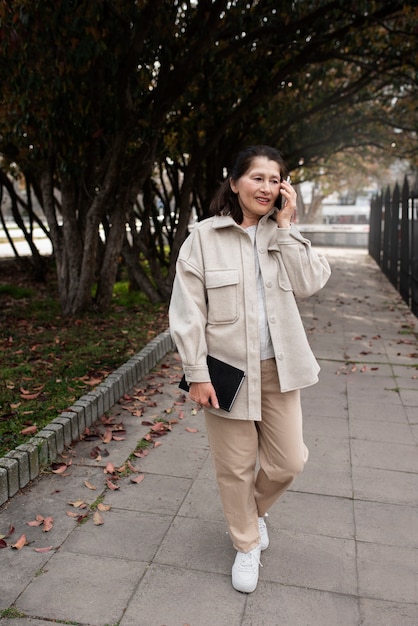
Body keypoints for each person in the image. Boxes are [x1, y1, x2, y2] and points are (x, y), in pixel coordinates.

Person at [169, 145, 331, 593]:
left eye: (275, 179)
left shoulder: (282, 234)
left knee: (289, 461)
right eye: (257, 177)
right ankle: (245, 544)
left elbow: (311, 283)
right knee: (235, 466)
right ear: (235, 181)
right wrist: (196, 372)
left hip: (280, 368)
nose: (266, 187)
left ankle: (251, 513)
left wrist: (287, 227)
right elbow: (187, 312)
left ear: (284, 189)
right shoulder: (203, 238)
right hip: (226, 372)